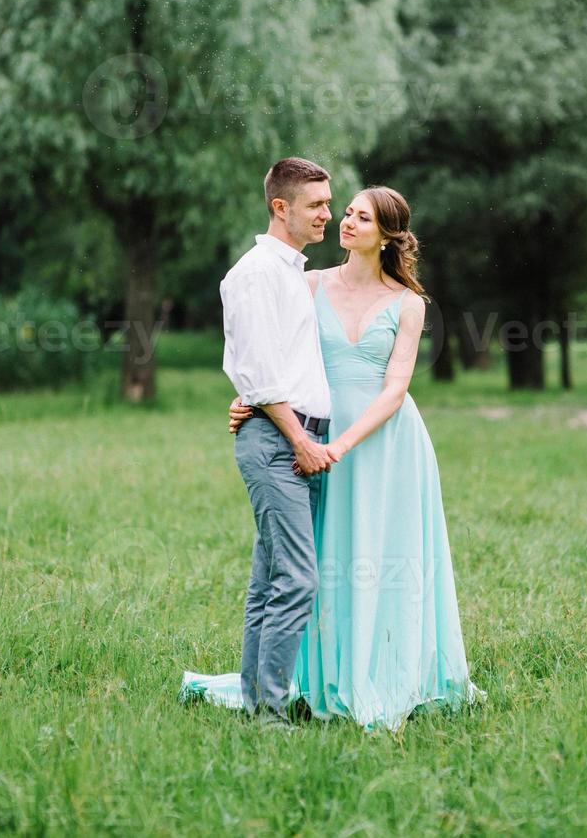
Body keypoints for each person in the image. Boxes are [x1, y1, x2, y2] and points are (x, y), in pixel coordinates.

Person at [180, 183, 485, 731]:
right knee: (319, 561)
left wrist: (340, 446)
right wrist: (249, 399)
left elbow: (395, 390)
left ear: (388, 236)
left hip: (381, 443)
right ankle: (314, 678)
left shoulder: (409, 304)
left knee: (382, 557)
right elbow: (270, 352)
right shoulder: (309, 283)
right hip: (309, 434)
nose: (345, 222)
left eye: (361, 217)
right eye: (344, 212)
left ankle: (385, 670)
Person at [210, 156, 337, 730]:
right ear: (280, 208)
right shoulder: (258, 273)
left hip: (292, 438)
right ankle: (271, 712)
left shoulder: (290, 271)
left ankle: (257, 699)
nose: (327, 215)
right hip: (280, 444)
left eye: (329, 204)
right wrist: (300, 442)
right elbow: (260, 376)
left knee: (270, 578)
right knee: (298, 578)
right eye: (316, 205)